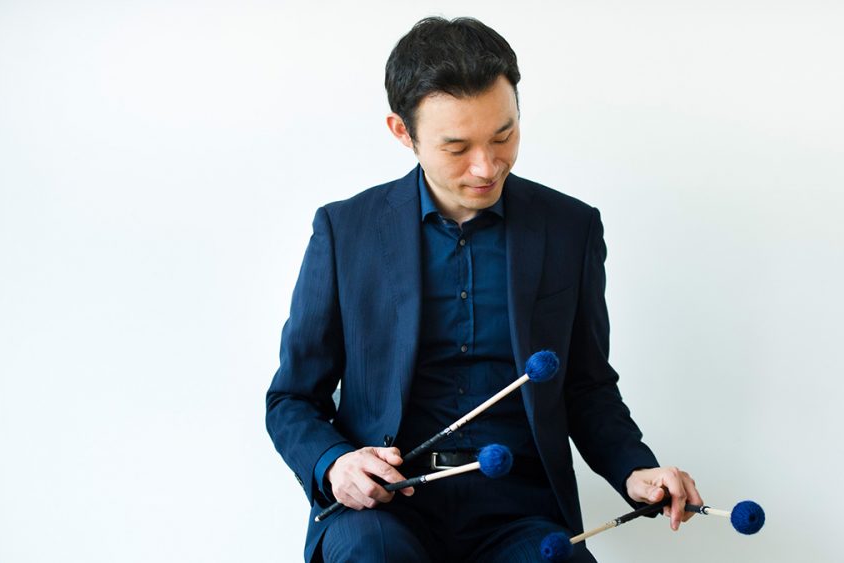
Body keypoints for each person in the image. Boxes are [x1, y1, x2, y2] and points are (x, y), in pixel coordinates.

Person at [266, 16, 703, 563]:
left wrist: (635, 469)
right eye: (457, 147)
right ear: (402, 132)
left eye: (503, 136)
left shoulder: (571, 229)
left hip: (518, 510)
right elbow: (292, 398)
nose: (486, 167)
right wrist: (335, 462)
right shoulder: (344, 231)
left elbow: (587, 387)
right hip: (384, 509)